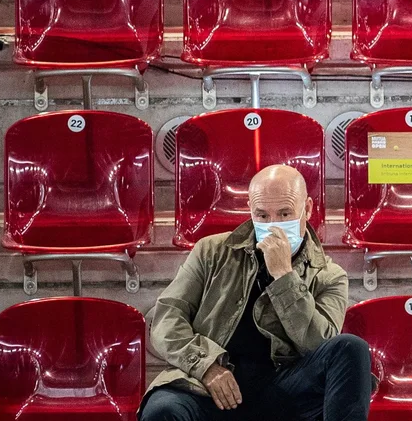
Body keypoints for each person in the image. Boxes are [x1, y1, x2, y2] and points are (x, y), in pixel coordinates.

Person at [142, 165, 374, 421]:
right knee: (162, 410)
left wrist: (285, 277)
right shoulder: (211, 252)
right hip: (210, 387)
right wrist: (205, 366)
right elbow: (167, 318)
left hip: (284, 391)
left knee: (351, 348)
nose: (273, 225)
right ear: (250, 210)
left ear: (307, 209)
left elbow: (318, 346)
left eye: (285, 213)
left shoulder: (329, 276)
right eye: (262, 215)